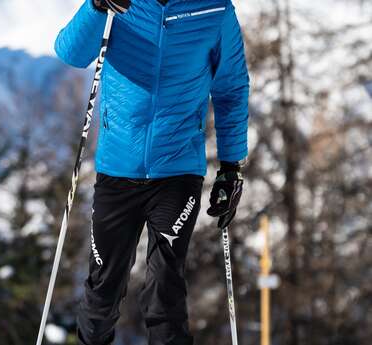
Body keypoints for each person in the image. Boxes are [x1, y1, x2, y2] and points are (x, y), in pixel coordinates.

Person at [54, 0, 249, 343]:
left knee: (165, 294)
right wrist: (96, 7)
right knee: (102, 294)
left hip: (177, 173)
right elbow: (71, 53)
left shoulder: (215, 10)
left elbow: (231, 88)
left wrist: (231, 168)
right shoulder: (118, 3)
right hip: (117, 171)